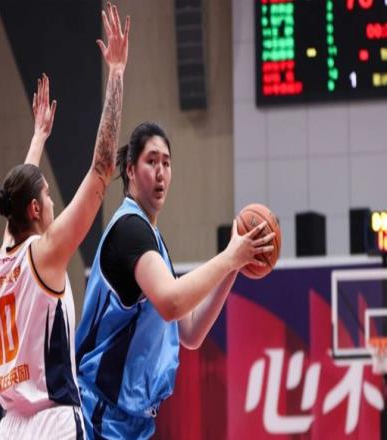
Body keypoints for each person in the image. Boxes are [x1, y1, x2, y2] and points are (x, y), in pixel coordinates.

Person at [76, 122, 275, 439]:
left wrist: (234, 266)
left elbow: (191, 332)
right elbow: (171, 303)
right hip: (98, 412)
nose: (160, 172)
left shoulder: (152, 239)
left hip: (132, 420)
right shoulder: (130, 230)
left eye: (166, 163)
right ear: (130, 170)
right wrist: (229, 257)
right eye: (151, 161)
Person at [0, 3, 129, 439]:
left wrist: (38, 137)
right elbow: (102, 169)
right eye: (47, 195)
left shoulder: (4, 259)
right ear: (34, 209)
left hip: (10, 425)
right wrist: (117, 73)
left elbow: (17, 197)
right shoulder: (45, 255)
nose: (52, 202)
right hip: (53, 422)